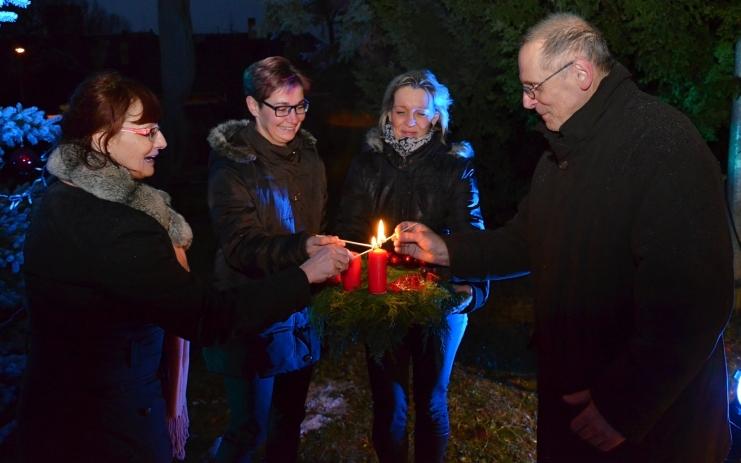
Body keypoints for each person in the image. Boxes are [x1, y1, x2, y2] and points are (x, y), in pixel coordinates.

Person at [393, 13, 733, 463]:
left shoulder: (662, 144)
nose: (526, 102)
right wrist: (447, 249)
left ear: (581, 74)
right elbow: (524, 240)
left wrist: (623, 407)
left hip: (652, 432)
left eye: (533, 88)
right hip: (575, 412)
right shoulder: (560, 156)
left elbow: (696, 304)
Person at [18, 70, 351, 463]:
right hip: (103, 425)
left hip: (74, 408)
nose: (162, 141)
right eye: (147, 131)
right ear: (100, 137)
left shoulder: (65, 199)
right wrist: (306, 273)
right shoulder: (115, 225)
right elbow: (206, 316)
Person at [333, 69, 490, 463]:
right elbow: (349, 229)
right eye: (401, 112)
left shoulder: (456, 167)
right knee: (389, 403)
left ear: (436, 116)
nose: (409, 123)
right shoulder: (368, 165)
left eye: (420, 114)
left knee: (431, 401)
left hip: (440, 299)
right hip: (381, 298)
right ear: (388, 113)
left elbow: (473, 234)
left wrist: (470, 289)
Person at [203, 56, 335, 463]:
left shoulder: (309, 158)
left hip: (302, 311)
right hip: (252, 315)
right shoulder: (233, 166)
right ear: (252, 106)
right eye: (280, 107)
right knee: (249, 428)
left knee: (288, 420)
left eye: (299, 107)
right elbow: (242, 246)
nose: (292, 118)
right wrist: (305, 249)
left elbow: (319, 219)